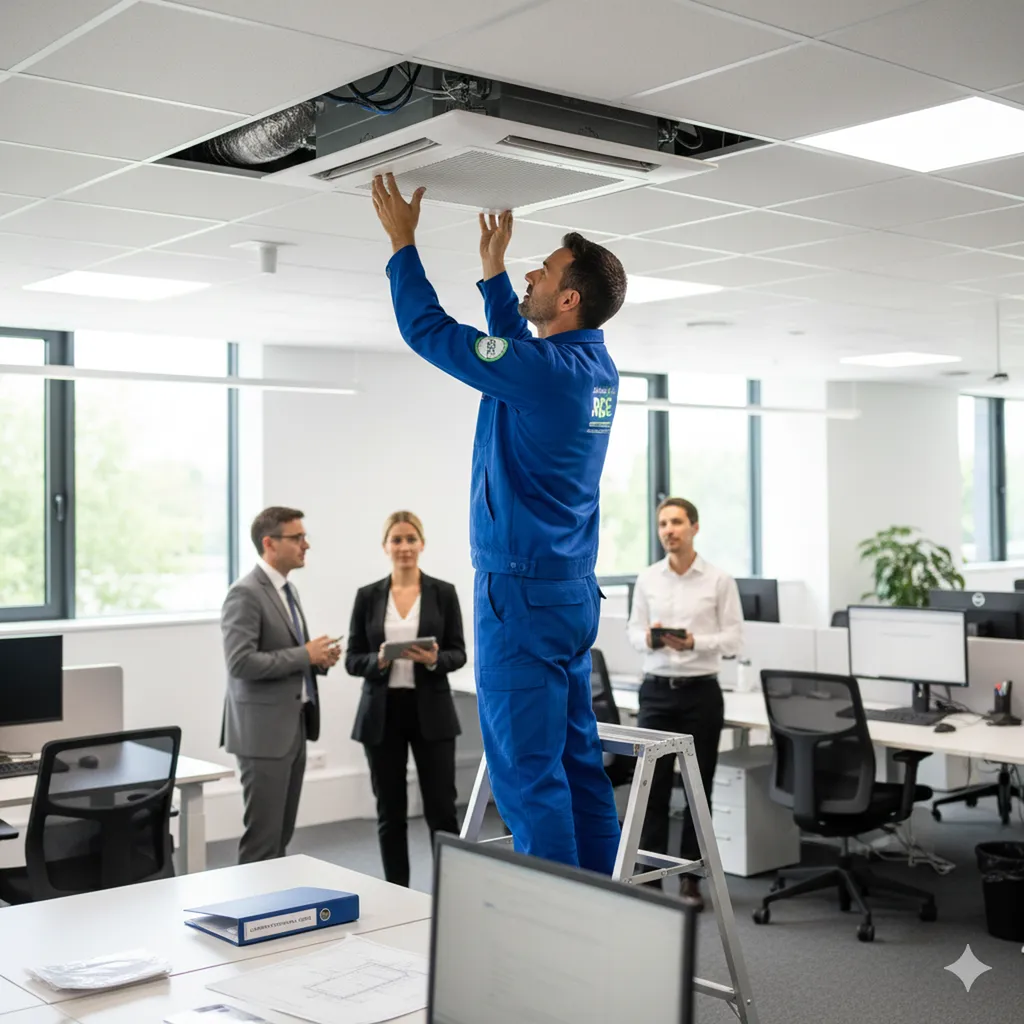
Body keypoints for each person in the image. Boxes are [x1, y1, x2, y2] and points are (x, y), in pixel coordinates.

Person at [370, 173, 627, 874]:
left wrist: (402, 245)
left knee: (527, 774)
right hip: (569, 592)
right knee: (576, 763)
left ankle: (555, 925)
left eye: (543, 271)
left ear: (569, 299)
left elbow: (429, 333)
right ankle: (607, 914)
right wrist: (493, 277)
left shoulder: (548, 372)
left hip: (519, 593)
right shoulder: (593, 369)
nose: (531, 275)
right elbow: (520, 358)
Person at [627, 497, 743, 908]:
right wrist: (650, 637)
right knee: (652, 787)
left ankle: (691, 878)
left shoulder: (719, 580)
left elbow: (733, 639)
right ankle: (649, 876)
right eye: (663, 523)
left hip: (700, 693)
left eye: (676, 522)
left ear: (694, 527)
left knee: (697, 789)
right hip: (656, 690)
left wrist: (695, 642)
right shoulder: (647, 579)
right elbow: (632, 632)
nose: (668, 530)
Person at [345, 511, 467, 887]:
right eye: (396, 539)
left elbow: (458, 653)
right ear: (385, 546)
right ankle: (396, 893)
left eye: (411, 539)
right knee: (390, 812)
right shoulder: (368, 596)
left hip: (431, 711)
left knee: (442, 810)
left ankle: (450, 894)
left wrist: (433, 659)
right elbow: (352, 659)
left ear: (422, 544)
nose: (404, 547)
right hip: (382, 715)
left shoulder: (443, 592)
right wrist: (379, 660)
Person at [220, 507, 340, 863]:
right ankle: (251, 900)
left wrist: (317, 659)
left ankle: (275, 900)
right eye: (297, 537)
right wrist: (305, 654)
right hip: (262, 735)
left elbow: (287, 654)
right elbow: (240, 663)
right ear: (269, 543)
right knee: (263, 840)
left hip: (292, 726)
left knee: (281, 837)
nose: (306, 544)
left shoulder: (288, 590)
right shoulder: (244, 593)